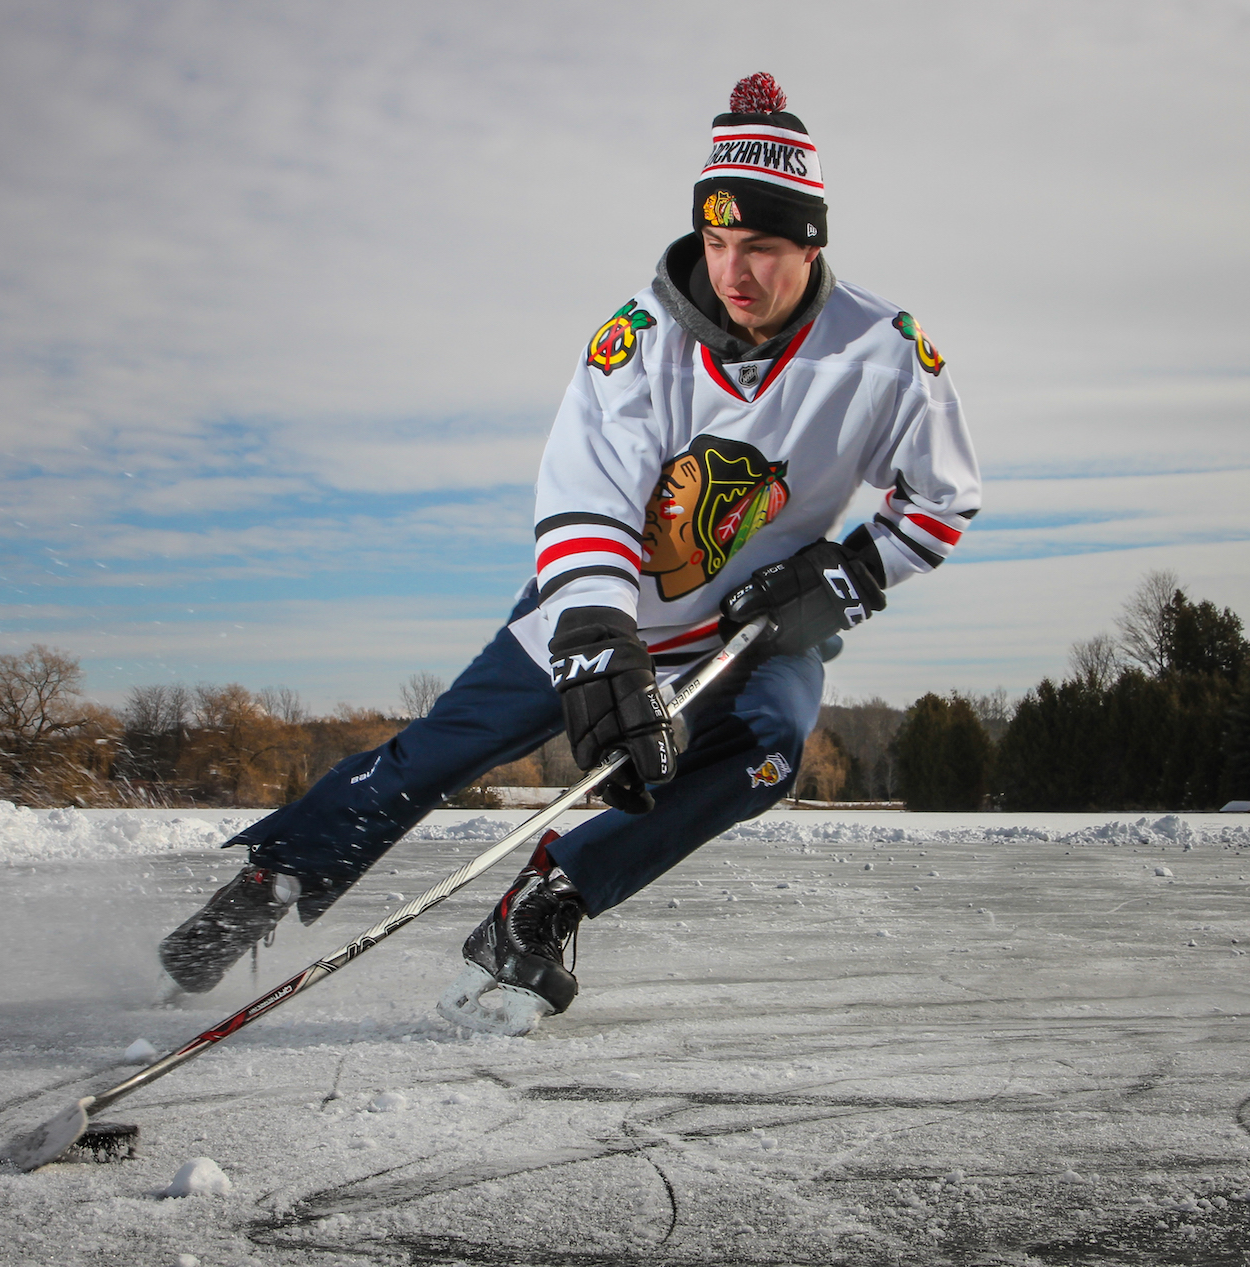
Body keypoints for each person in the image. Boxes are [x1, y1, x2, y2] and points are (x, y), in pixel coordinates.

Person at [158, 72, 981, 1032]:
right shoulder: (637, 341)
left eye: (758, 247)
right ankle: (272, 879)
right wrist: (597, 641)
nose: (732, 273)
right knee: (431, 756)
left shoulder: (884, 351)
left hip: (752, 629)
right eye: (715, 244)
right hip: (594, 604)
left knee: (765, 756)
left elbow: (943, 497)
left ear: (811, 242)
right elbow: (586, 504)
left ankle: (546, 904)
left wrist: (846, 575)